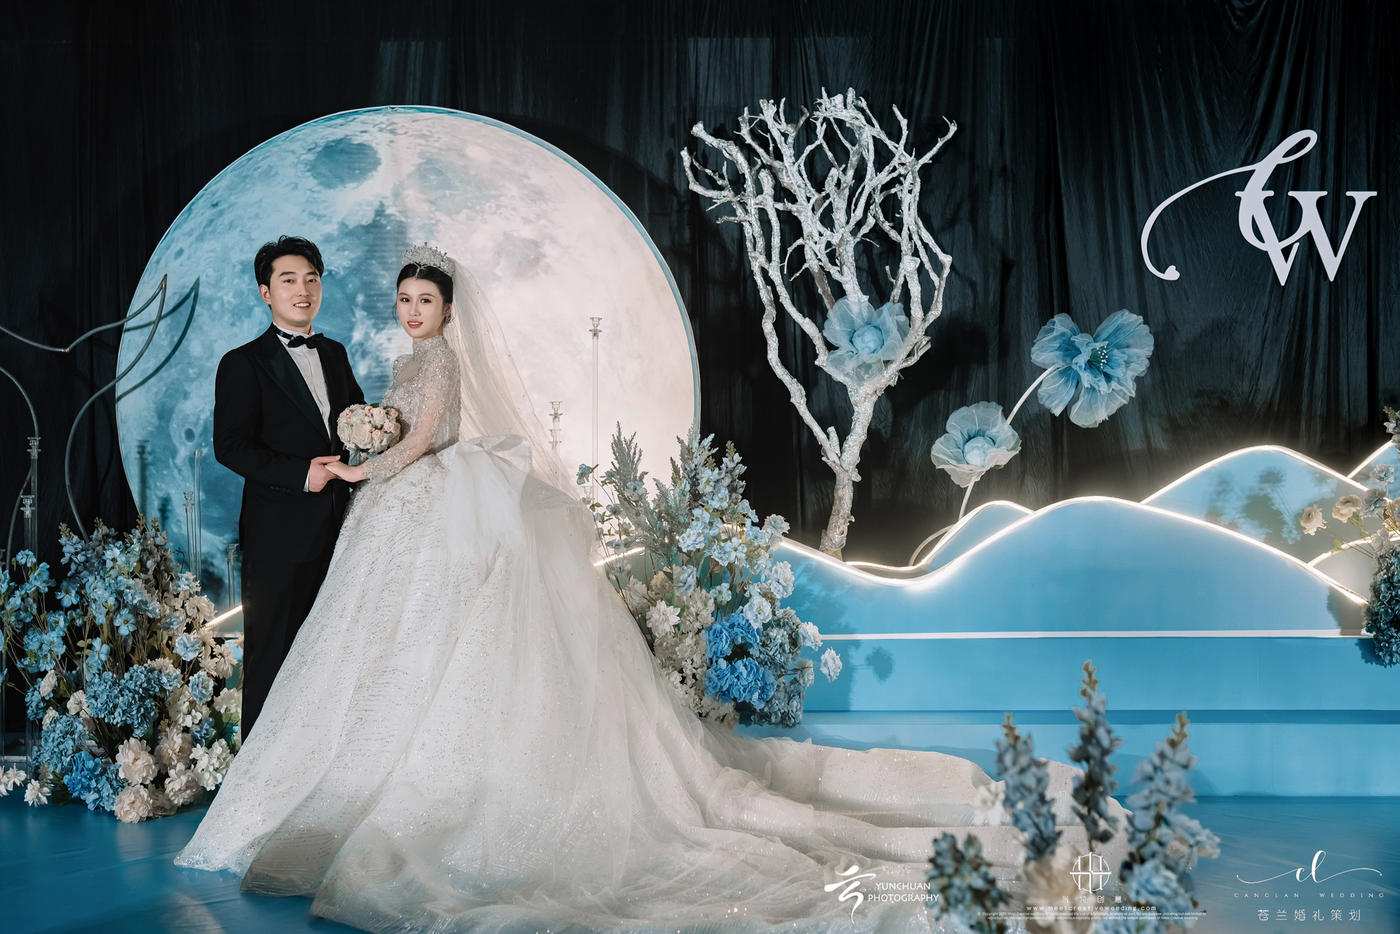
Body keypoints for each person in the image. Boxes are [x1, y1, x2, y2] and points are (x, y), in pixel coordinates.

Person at [179, 244, 1128, 933]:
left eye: (424, 299)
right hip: (350, 516)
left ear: (447, 309)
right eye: (405, 298)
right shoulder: (365, 360)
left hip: (410, 497)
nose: (413, 309)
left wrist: (366, 464)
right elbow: (305, 435)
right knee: (356, 648)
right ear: (273, 289)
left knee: (438, 641)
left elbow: (421, 436)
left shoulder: (431, 362)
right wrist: (362, 453)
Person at [211, 236, 364, 737]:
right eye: (289, 280)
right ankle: (257, 775)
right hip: (277, 536)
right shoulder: (243, 362)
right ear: (265, 292)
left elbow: (354, 425)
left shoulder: (335, 353)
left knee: (333, 657)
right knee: (272, 657)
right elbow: (230, 446)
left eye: (311, 279)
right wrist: (303, 474)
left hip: (342, 531)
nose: (303, 290)